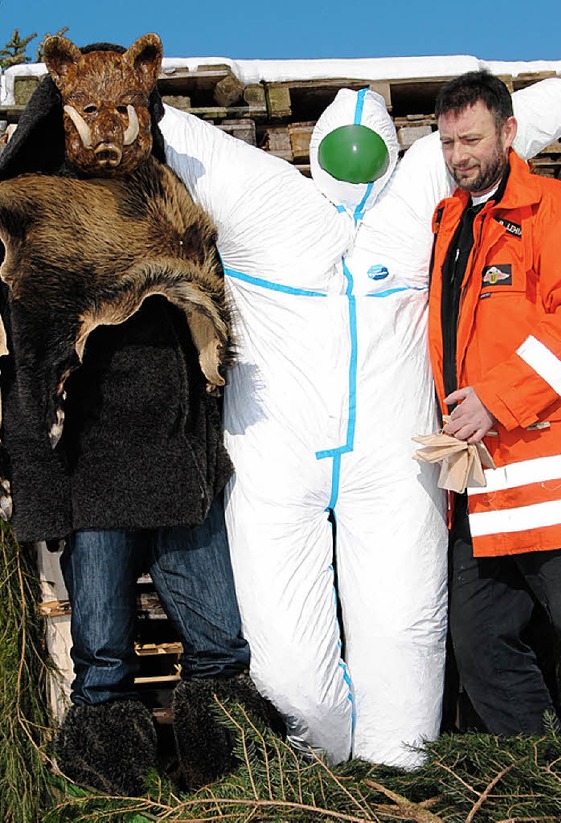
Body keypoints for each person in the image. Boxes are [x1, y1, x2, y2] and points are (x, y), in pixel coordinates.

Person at [160, 74, 561, 765]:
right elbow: (175, 134)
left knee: (403, 630)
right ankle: (324, 757)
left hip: (393, 460)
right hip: (278, 457)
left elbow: (533, 114)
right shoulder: (274, 199)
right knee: (292, 662)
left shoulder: (414, 198)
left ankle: (398, 770)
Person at [0, 34, 279, 796]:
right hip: (92, 471)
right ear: (63, 107)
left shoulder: (174, 204)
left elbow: (210, 321)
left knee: (219, 644)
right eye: (91, 110)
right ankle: (105, 786)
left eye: (124, 109)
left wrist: (208, 432)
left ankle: (236, 779)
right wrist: (38, 471)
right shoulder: (36, 212)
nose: (110, 126)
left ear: (147, 104)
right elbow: (27, 359)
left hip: (177, 459)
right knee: (102, 659)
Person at [427, 69, 561, 741]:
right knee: (482, 645)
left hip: (550, 474)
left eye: (471, 139)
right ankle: (548, 782)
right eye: (447, 142)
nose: (459, 155)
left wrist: (496, 397)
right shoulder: (448, 222)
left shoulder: (554, 208)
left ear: (508, 132)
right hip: (482, 480)